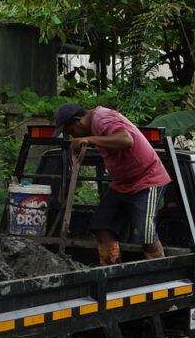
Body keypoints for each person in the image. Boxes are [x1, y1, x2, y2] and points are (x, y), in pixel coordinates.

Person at [53, 103, 171, 264]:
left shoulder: (103, 119)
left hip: (146, 180)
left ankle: (159, 270)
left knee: (146, 234)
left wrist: (87, 139)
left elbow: (126, 140)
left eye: (72, 132)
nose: (73, 136)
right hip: (121, 184)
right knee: (102, 225)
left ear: (78, 120)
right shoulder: (95, 125)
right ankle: (111, 268)